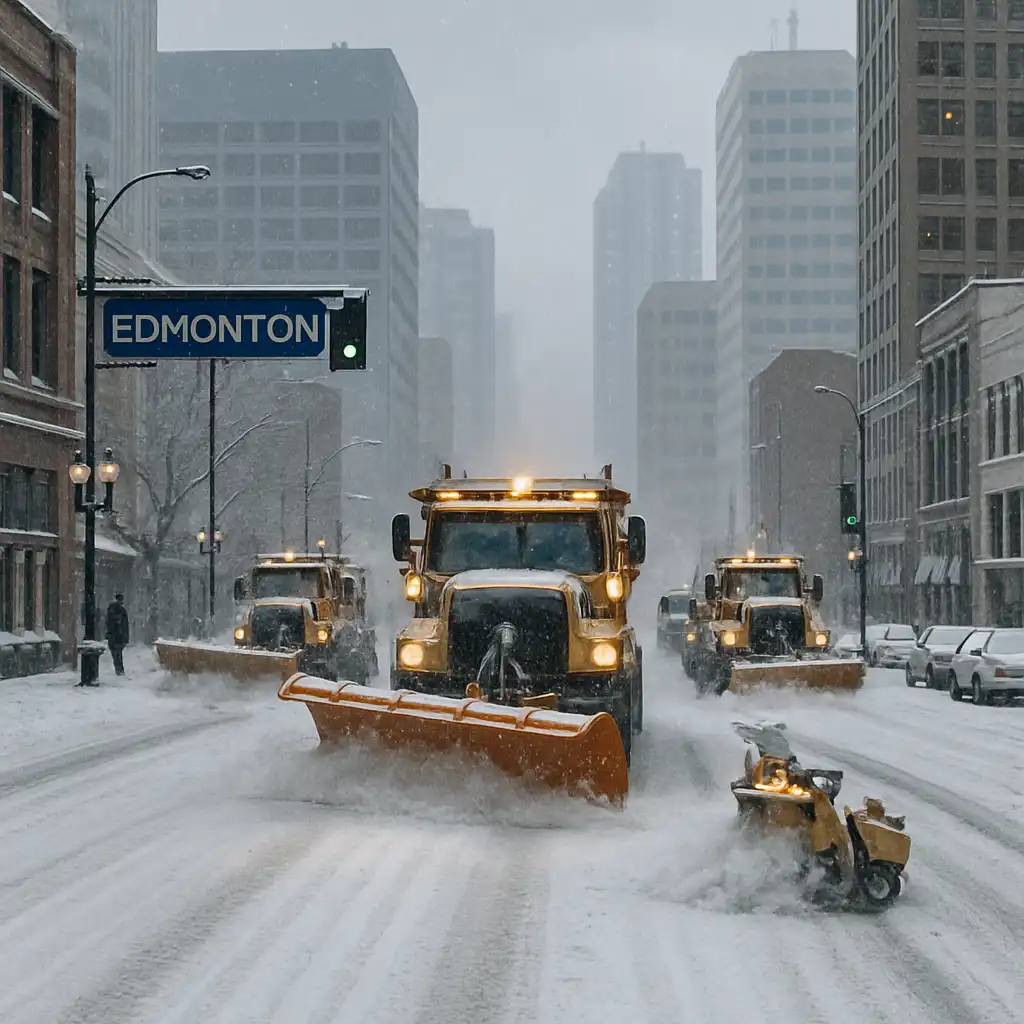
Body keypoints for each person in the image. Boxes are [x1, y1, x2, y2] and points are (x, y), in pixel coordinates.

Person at [105, 593, 130, 676]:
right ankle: (119, 670)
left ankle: (119, 670)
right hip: (117, 636)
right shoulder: (119, 610)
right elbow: (124, 625)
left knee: (116, 654)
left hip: (116, 636)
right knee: (117, 654)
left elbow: (109, 624)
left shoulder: (113, 610)